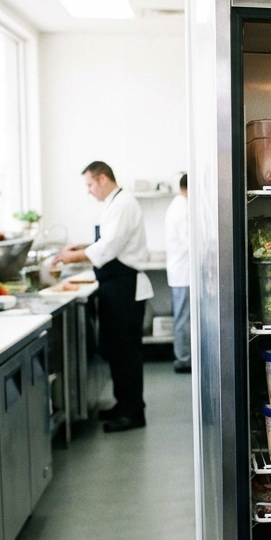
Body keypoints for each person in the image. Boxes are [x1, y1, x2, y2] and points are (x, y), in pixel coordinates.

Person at [56, 161, 153, 432]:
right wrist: (83, 247)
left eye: (89, 184)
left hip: (124, 286)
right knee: (116, 350)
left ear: (101, 178)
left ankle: (134, 413)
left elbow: (110, 247)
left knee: (126, 353)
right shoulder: (115, 203)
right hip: (116, 286)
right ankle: (123, 405)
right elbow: (108, 242)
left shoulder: (123, 203)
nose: (88, 191)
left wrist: (70, 256)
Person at [165, 174, 191, 373]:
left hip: (183, 271)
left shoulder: (181, 205)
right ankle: (183, 359)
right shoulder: (182, 208)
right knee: (183, 317)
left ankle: (185, 356)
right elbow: (188, 241)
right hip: (183, 272)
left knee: (184, 316)